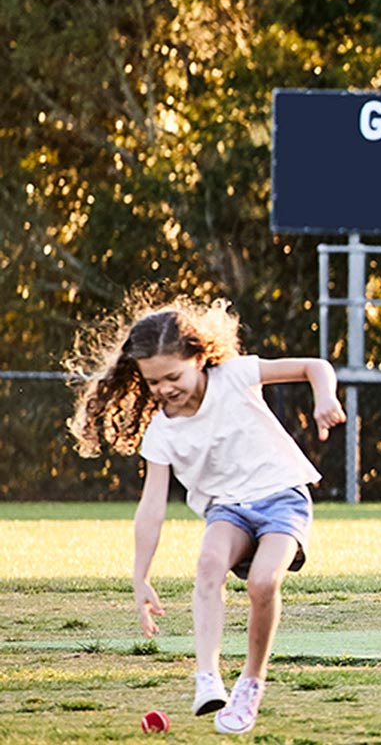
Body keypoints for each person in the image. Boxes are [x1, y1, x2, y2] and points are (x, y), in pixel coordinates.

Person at [68, 299, 344, 735]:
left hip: (281, 497)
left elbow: (315, 365)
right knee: (209, 564)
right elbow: (151, 507)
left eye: (173, 376)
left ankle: (251, 684)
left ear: (198, 358)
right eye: (153, 381)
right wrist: (140, 576)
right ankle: (207, 677)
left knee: (263, 582)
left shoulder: (234, 377)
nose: (164, 388)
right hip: (228, 510)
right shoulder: (161, 431)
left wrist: (325, 397)